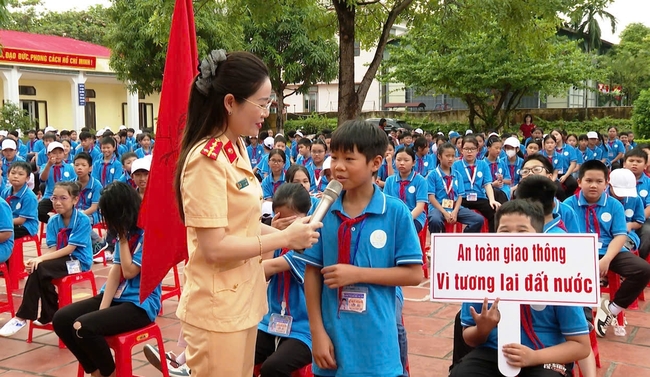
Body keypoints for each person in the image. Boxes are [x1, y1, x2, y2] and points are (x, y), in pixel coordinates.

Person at [174, 50, 321, 377]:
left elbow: (244, 224)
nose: (266, 113)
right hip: (218, 308)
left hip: (244, 301)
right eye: (262, 103)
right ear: (230, 102)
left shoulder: (236, 147)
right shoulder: (206, 161)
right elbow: (214, 248)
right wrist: (284, 237)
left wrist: (292, 231)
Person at [295, 120, 423, 376]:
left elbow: (414, 274)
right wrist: (317, 333)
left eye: (349, 159)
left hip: (377, 348)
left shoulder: (395, 211)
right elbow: (311, 273)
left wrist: (357, 273)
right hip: (333, 343)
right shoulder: (323, 210)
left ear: (375, 163)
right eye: (335, 157)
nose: (338, 167)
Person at [449, 200, 591, 377]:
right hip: (493, 352)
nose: (512, 237)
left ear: (539, 235)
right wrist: (483, 329)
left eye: (522, 231)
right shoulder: (482, 274)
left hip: (545, 357)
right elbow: (468, 337)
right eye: (505, 231)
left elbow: (581, 346)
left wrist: (533, 357)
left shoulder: (558, 276)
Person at [52, 182, 162, 377]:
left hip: (140, 304)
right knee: (62, 319)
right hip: (117, 298)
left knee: (82, 326)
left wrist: (121, 237)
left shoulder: (150, 233)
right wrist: (103, 309)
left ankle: (110, 374)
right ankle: (96, 372)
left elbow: (129, 272)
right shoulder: (125, 231)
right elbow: (115, 272)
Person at [564, 160, 650, 337]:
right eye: (589, 181)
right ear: (579, 182)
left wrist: (606, 259)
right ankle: (584, 316)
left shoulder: (615, 205)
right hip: (579, 253)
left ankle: (612, 309)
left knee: (642, 270)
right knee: (574, 273)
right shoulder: (568, 205)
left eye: (599, 181)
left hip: (609, 251)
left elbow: (620, 235)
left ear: (606, 183)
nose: (594, 185)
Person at [0, 181, 92, 337]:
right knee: (39, 268)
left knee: (41, 267)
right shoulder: (53, 221)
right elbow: (53, 249)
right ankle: (48, 313)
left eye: (63, 198)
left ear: (75, 200)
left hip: (78, 262)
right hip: (62, 259)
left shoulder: (82, 220)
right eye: (54, 198)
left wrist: (41, 260)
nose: (57, 202)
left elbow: (70, 249)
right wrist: (39, 260)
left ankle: (23, 316)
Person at [256, 183, 313, 376]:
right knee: (238, 353)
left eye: (293, 220)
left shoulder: (310, 243)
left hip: (303, 329)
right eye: (282, 219)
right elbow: (263, 275)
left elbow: (267, 267)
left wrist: (276, 236)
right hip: (270, 322)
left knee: (273, 368)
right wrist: (276, 234)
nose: (288, 227)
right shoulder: (279, 239)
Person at [427, 142, 485, 234]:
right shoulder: (432, 175)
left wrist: (455, 211)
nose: (450, 159)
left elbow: (460, 196)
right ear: (439, 156)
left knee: (478, 219)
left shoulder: (457, 175)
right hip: (438, 207)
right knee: (435, 220)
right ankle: (436, 244)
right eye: (447, 156)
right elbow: (431, 197)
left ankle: (464, 241)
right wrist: (445, 213)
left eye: (453, 156)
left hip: (454, 207)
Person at [452, 135, 502, 232]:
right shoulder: (455, 165)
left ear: (477, 150)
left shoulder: (483, 164)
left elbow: (487, 184)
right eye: (466, 149)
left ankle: (492, 240)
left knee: (495, 212)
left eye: (472, 149)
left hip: (479, 197)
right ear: (462, 150)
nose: (469, 152)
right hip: (462, 198)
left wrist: (492, 200)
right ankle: (467, 237)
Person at [383, 146, 428, 233]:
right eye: (398, 160)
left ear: (414, 162)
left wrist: (405, 219)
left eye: (406, 160)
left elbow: (420, 206)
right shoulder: (389, 181)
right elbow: (386, 204)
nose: (402, 163)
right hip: (394, 217)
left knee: (405, 231)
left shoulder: (420, 181)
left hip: (414, 216)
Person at [37, 142, 76, 224]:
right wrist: (49, 165)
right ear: (48, 155)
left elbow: (74, 183)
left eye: (60, 153)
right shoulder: (45, 166)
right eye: (54, 153)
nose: (57, 155)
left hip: (67, 197)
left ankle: (66, 225)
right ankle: (55, 223)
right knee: (38, 211)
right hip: (50, 196)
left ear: (64, 154)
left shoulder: (70, 167)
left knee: (72, 212)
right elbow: (42, 179)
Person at [2, 161, 38, 239]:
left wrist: (4, 222)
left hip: (26, 226)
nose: (16, 176)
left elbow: (21, 220)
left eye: (20, 174)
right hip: (9, 222)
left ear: (27, 178)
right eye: (13, 173)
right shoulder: (5, 192)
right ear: (8, 175)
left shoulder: (29, 197)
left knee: (4, 234)